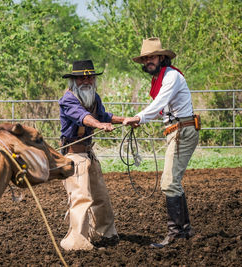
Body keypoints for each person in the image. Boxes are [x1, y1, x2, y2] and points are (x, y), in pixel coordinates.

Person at [122, 37, 200, 248]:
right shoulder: (162, 78)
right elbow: (160, 109)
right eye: (146, 58)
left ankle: (175, 234)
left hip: (182, 131)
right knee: (172, 181)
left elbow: (159, 103)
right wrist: (143, 118)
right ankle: (185, 230)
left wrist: (139, 117)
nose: (149, 61)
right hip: (178, 130)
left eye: (152, 57)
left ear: (162, 57)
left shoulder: (171, 76)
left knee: (168, 183)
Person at [58, 59, 125, 250]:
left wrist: (125, 120)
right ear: (74, 80)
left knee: (100, 196)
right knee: (81, 197)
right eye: (81, 78)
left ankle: (107, 233)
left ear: (94, 79)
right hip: (74, 156)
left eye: (89, 77)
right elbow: (82, 116)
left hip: (89, 154)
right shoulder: (68, 99)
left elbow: (104, 116)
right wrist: (99, 125)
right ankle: (77, 242)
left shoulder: (94, 99)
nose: (86, 81)